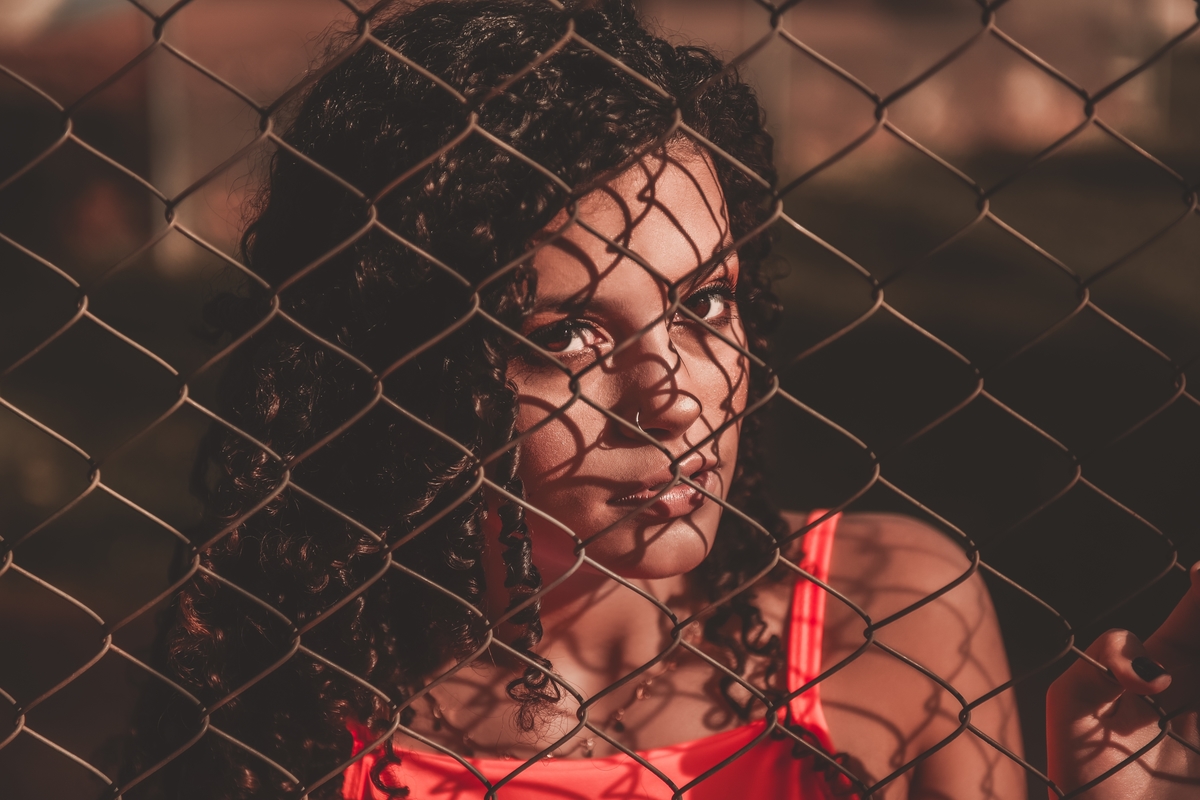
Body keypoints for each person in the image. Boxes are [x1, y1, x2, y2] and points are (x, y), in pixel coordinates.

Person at [150, 1, 1200, 798]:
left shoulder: (897, 613)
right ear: (410, 362)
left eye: (703, 302)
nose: (674, 397)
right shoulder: (287, 687)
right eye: (565, 334)